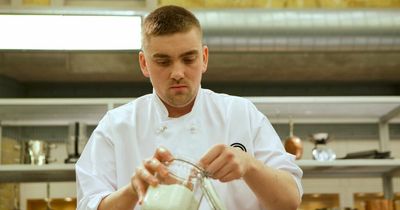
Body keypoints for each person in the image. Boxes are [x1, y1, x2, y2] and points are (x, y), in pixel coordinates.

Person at [76, 5, 303, 210]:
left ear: (204, 58)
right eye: (163, 61)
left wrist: (249, 165)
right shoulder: (116, 126)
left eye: (188, 59)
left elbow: (290, 200)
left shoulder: (241, 114)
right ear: (144, 64)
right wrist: (133, 190)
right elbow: (89, 205)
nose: (177, 73)